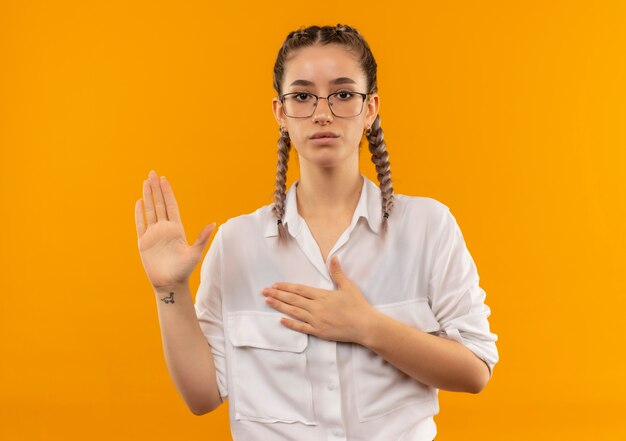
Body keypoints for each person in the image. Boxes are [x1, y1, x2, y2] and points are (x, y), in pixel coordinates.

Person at [134, 24, 499, 441]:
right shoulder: (236, 244)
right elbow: (202, 396)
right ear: (280, 112)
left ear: (370, 109)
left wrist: (368, 327)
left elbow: (476, 370)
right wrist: (170, 289)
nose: (322, 112)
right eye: (303, 96)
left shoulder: (428, 227)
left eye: (343, 94)